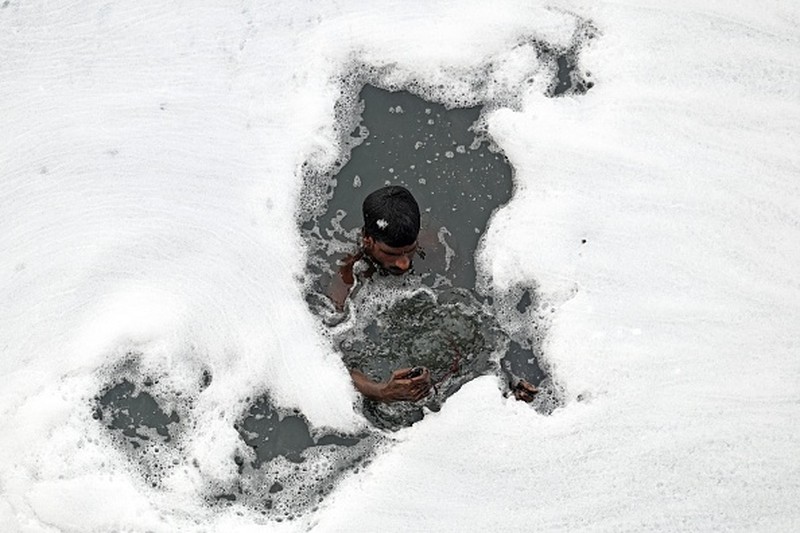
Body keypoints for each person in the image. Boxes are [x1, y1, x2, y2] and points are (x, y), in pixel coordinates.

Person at [331, 185, 536, 404]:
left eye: (409, 250)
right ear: (367, 240)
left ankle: (506, 384)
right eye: (391, 254)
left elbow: (465, 305)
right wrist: (382, 392)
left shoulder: (436, 244)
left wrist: (503, 370)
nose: (404, 262)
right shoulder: (347, 280)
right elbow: (331, 360)